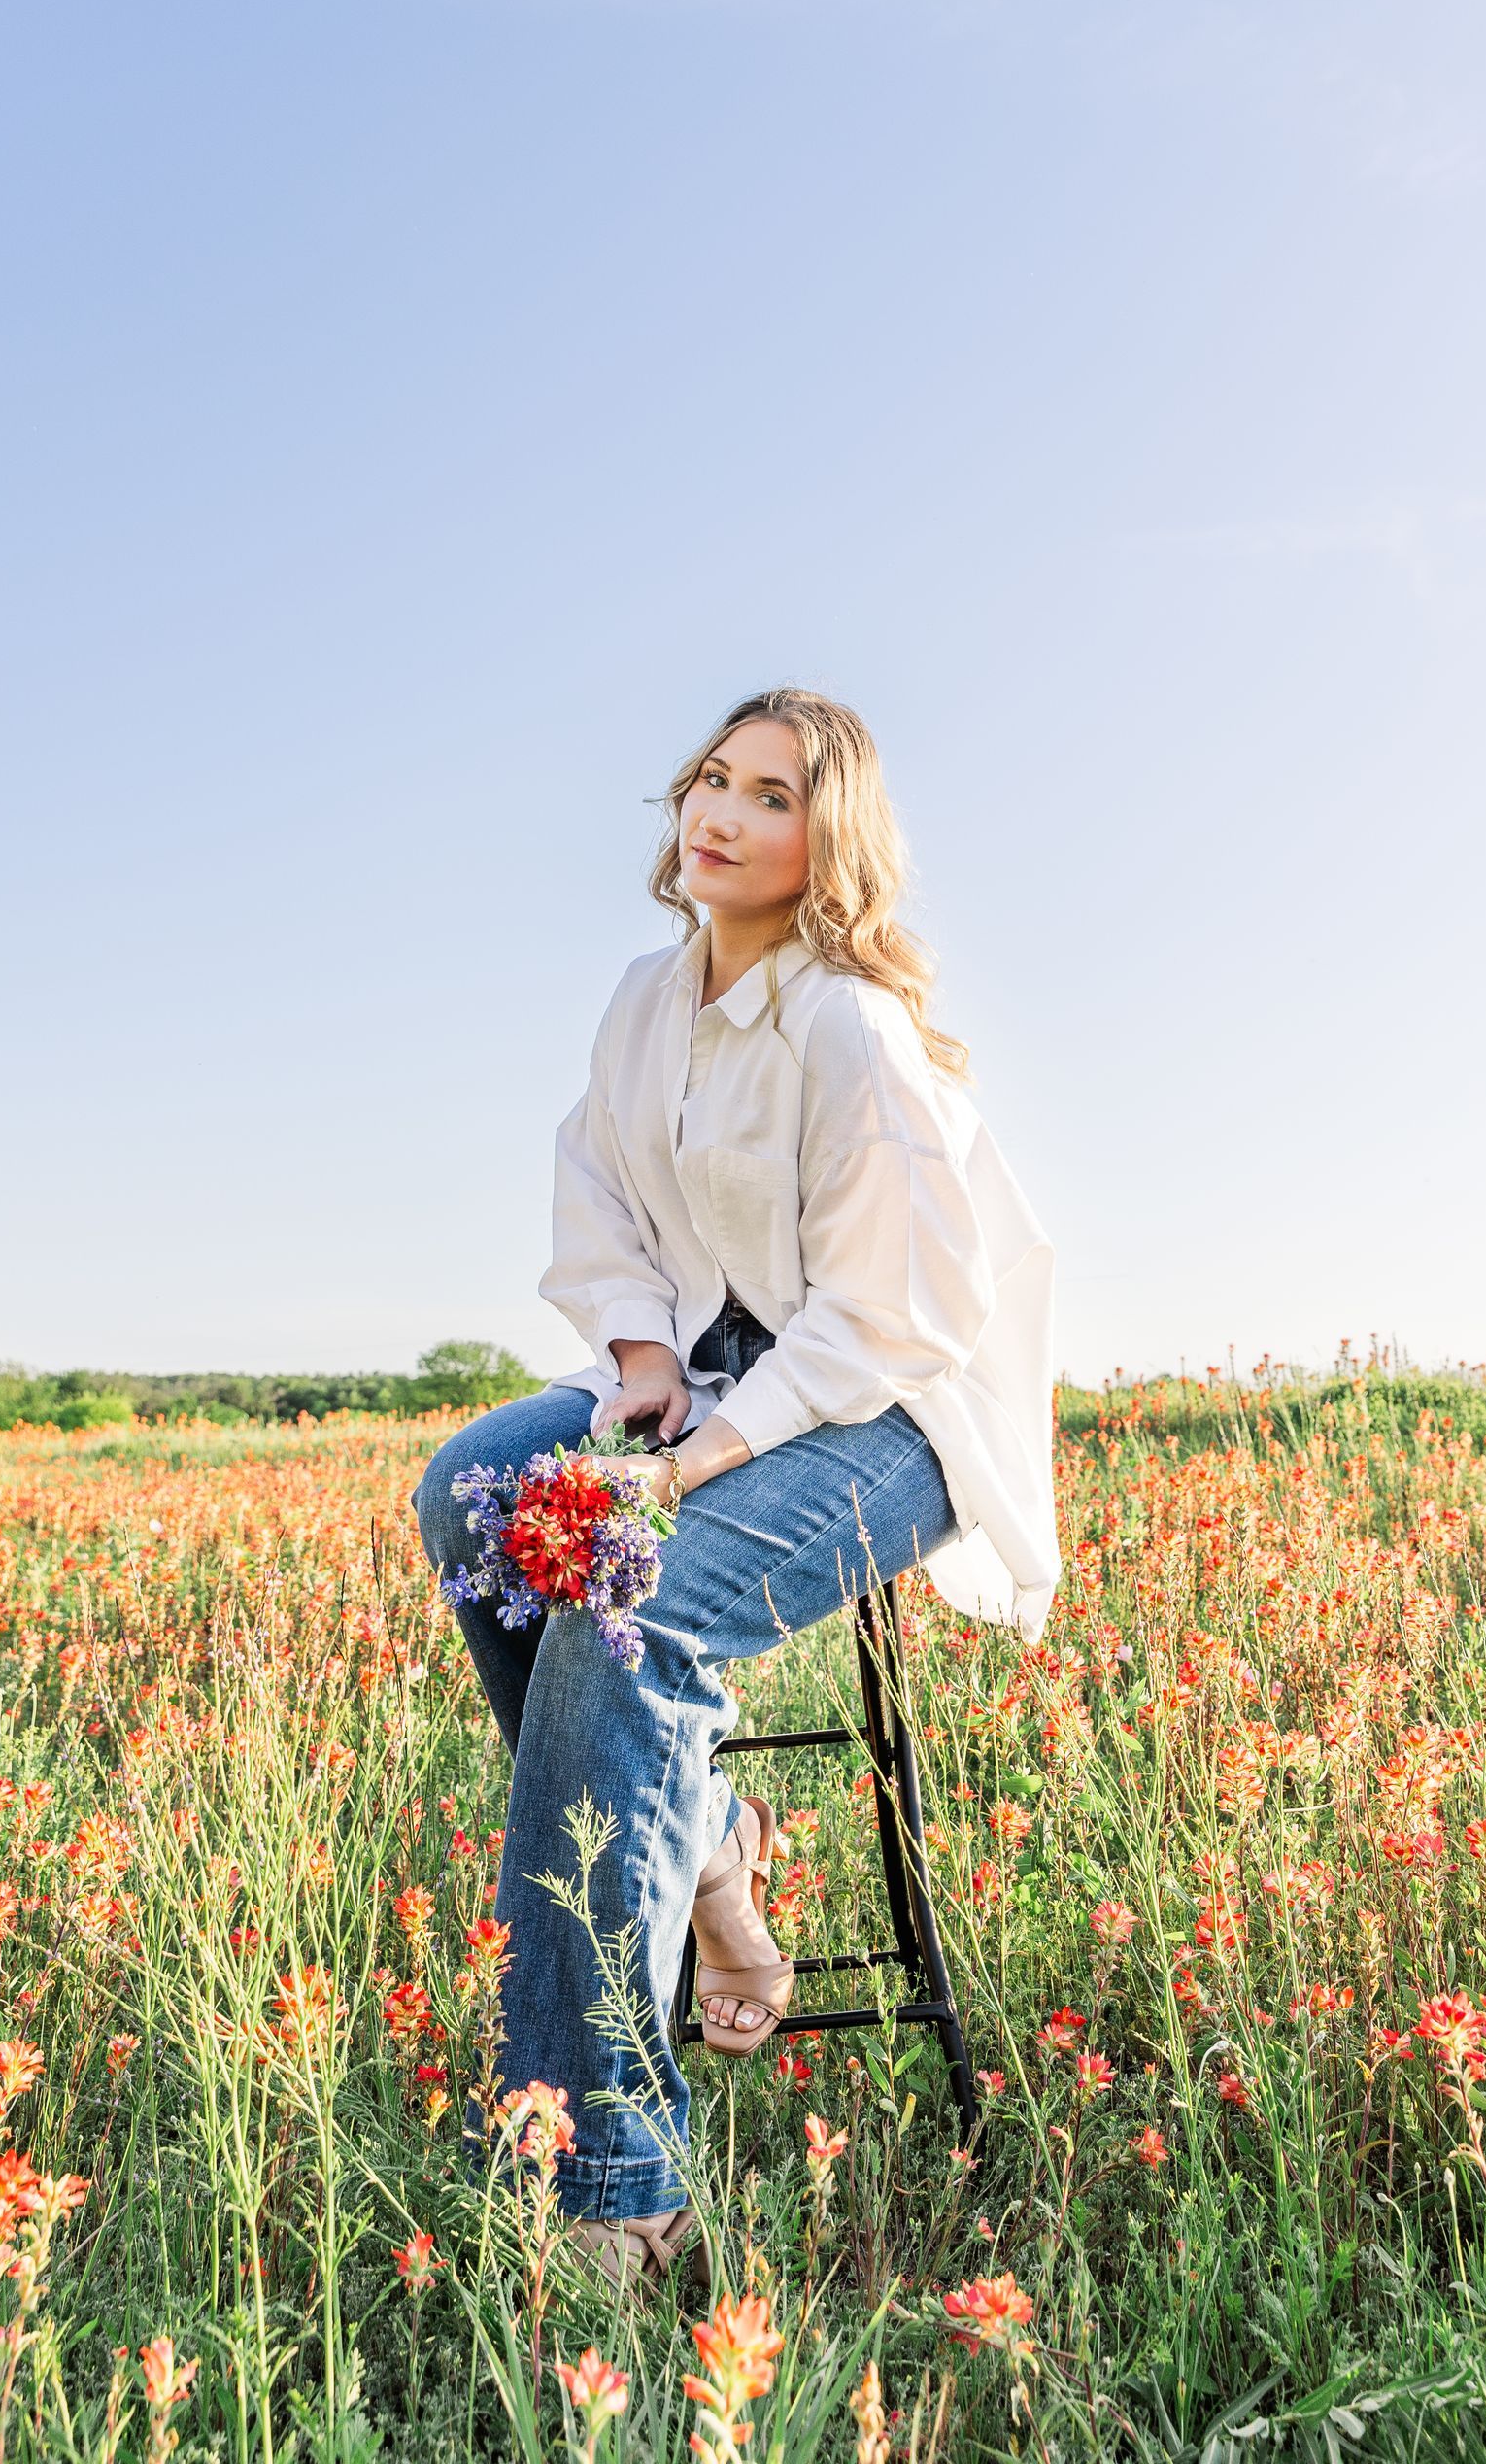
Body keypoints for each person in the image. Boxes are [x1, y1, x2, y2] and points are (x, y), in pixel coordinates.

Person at [412, 685, 1056, 2280]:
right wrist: (637, 1367)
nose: (721, 813)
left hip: (888, 1410)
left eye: (771, 796)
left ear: (824, 840)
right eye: (712, 779)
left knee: (621, 1623)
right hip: (699, 1369)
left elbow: (895, 1313)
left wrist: (703, 1454)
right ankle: (703, 1836)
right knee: (471, 1489)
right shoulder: (648, 998)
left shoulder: (850, 1021)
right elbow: (600, 1192)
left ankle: (614, 2185)